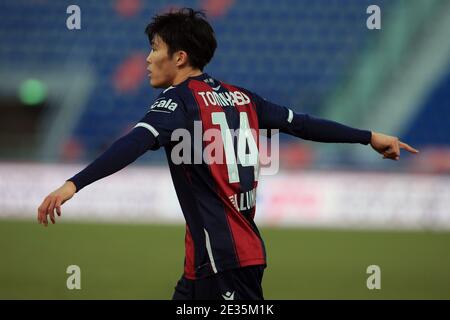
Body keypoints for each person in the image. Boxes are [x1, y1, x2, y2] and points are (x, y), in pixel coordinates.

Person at [37, 8, 419, 300]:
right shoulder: (242, 98)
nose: (148, 59)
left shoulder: (178, 102)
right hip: (212, 261)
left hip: (225, 262)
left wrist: (74, 184)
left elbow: (134, 142)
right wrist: (368, 136)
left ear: (180, 57)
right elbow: (302, 124)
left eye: (155, 49)